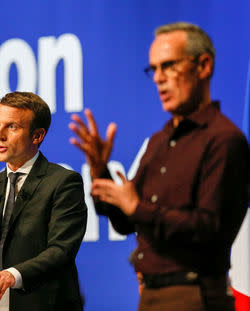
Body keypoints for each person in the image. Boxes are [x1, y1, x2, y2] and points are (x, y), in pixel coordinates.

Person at [69, 22, 249, 311]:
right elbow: (125, 221)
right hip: (150, 296)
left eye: (169, 66)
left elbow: (209, 229)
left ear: (203, 66)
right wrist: (99, 172)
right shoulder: (159, 142)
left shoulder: (224, 140)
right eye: (154, 69)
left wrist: (137, 207)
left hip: (195, 296)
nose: (159, 79)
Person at [0, 91, 87, 311]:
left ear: (37, 136)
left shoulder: (63, 183)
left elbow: (60, 251)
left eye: (11, 127)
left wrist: (12, 276)